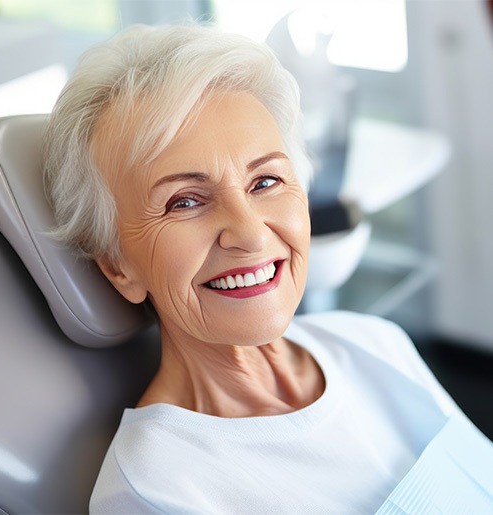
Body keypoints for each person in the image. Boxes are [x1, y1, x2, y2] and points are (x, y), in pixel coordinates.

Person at [43, 23, 493, 515]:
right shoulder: (155, 490)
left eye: (265, 181)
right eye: (185, 201)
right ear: (117, 266)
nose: (252, 233)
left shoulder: (374, 344)